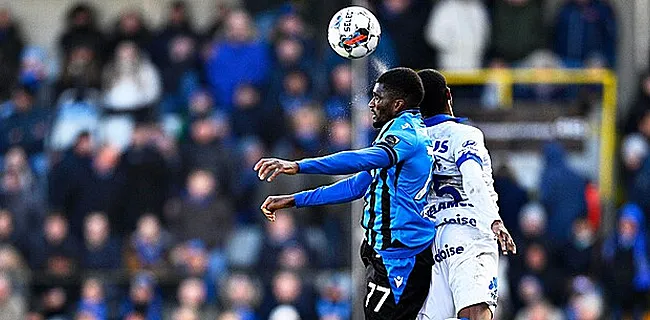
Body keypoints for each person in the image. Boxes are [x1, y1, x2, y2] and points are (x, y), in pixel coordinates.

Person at [254, 67, 435, 320]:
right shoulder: (397, 132)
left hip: (400, 256)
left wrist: (296, 166)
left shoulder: (406, 137)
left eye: (377, 98)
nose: (371, 104)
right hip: (386, 253)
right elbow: (356, 185)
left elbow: (360, 160)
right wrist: (294, 200)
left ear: (397, 104)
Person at [414, 69, 516, 320]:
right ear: (448, 95)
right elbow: (471, 179)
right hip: (469, 231)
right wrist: (494, 220)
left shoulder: (412, 142)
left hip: (430, 241)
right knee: (476, 315)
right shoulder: (464, 135)